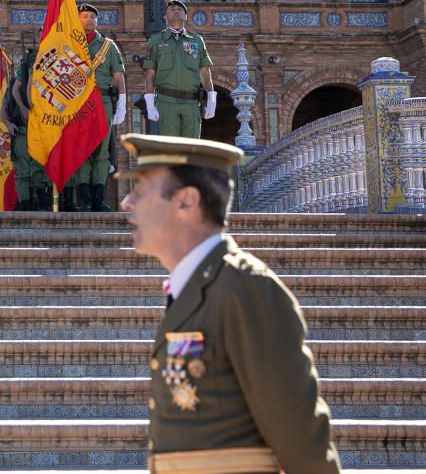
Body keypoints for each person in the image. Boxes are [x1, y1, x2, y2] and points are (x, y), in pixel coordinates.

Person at [116, 133, 341, 474]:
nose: (127, 203)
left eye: (142, 190)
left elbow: (301, 444)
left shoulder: (245, 288)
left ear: (186, 201)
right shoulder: (196, 288)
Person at [64, 3, 127, 212]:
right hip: (78, 104)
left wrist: (122, 104)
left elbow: (118, 77)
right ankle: (85, 200)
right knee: (81, 150)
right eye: (84, 16)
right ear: (78, 19)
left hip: (103, 102)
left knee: (101, 150)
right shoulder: (70, 45)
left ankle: (98, 200)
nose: (89, 19)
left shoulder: (108, 46)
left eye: (92, 16)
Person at [143, 0, 216, 138]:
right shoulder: (155, 41)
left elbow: (205, 72)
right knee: (171, 149)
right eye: (172, 9)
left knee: (191, 148)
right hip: (166, 102)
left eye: (180, 9)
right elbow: (150, 74)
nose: (176, 11)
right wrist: (150, 104)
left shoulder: (197, 41)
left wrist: (212, 101)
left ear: (186, 16)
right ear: (165, 16)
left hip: (192, 102)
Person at [3, 46, 51, 211]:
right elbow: (4, 109)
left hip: (41, 131)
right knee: (22, 170)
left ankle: (41, 202)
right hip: (22, 131)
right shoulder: (16, 87)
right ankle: (24, 202)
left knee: (39, 168)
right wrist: (11, 123)